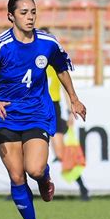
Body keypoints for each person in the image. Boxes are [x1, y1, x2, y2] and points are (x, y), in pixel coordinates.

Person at [0, 0, 86, 219]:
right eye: (24, 12)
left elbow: (61, 68)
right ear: (11, 16)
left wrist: (74, 98)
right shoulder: (0, 46)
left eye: (33, 12)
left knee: (34, 169)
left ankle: (44, 179)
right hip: (6, 115)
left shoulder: (47, 42)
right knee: (16, 176)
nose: (30, 17)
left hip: (37, 112)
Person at [40, 30, 90, 201]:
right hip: (34, 107)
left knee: (60, 152)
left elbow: (64, 88)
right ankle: (17, 190)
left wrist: (71, 110)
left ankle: (83, 188)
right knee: (28, 150)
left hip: (53, 108)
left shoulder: (53, 64)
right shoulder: (30, 61)